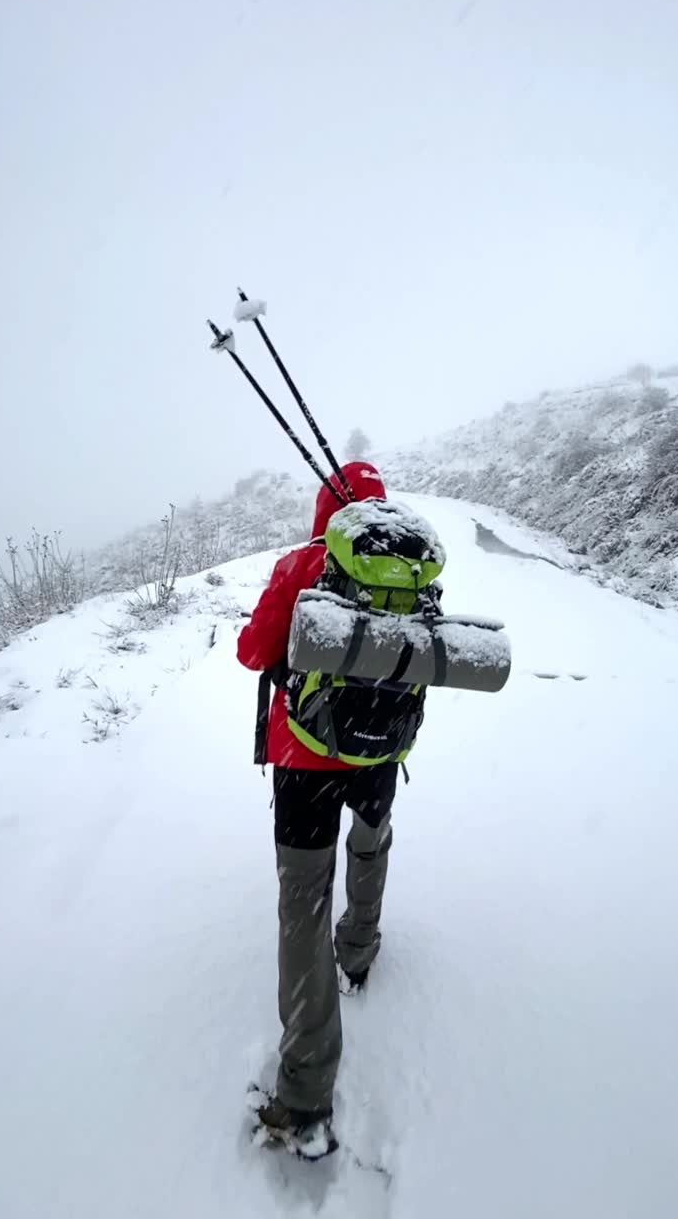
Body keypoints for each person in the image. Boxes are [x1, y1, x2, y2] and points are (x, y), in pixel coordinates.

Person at [237, 461, 397, 1145]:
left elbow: (253, 653)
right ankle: (359, 948)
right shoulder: (406, 574)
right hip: (380, 753)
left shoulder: (301, 564)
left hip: (303, 759)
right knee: (371, 840)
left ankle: (304, 1094)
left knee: (303, 901)